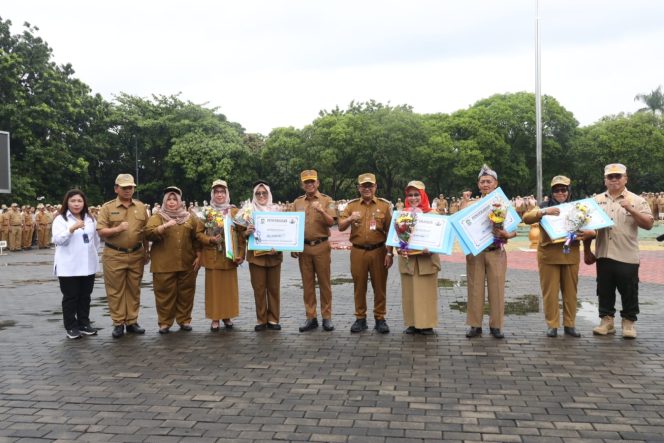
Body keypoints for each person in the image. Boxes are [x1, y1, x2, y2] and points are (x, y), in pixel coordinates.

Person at [584, 163, 654, 339]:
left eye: (618, 176)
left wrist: (630, 208)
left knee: (629, 291)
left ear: (625, 178)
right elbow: (587, 228)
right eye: (610, 177)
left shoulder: (637, 200)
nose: (614, 179)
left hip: (627, 255)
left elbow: (648, 224)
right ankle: (606, 321)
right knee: (604, 290)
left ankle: (628, 323)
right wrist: (587, 250)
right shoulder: (596, 201)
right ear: (605, 180)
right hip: (604, 254)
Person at [523, 176, 594, 338]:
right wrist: (543, 212)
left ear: (569, 191)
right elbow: (526, 218)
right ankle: (552, 325)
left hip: (570, 254)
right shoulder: (544, 206)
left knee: (570, 292)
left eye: (563, 189)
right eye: (556, 190)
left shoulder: (578, 207)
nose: (560, 193)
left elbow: (592, 227)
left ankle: (570, 324)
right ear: (552, 191)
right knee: (550, 292)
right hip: (548, 255)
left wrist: (590, 233)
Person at [462, 165, 516, 339]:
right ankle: (475, 325)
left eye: (488, 181)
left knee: (497, 288)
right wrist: (464, 201)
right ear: (478, 185)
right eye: (482, 181)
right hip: (476, 252)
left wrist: (507, 234)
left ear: (495, 184)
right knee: (475, 288)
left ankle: (496, 325)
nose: (485, 184)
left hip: (495, 250)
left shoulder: (504, 203)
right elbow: (460, 222)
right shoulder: (472, 204)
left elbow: (515, 228)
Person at [338, 173, 393, 333]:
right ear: (358, 188)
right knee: (359, 285)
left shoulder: (384, 206)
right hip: (358, 251)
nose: (367, 189)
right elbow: (340, 226)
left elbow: (391, 232)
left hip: (379, 250)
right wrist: (349, 219)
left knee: (380, 286)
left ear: (375, 187)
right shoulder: (351, 206)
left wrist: (389, 254)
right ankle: (360, 318)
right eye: (364, 186)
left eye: (370, 185)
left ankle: (380, 318)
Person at [97, 174, 150, 339]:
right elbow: (100, 231)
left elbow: (146, 233)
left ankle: (132, 321)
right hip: (114, 254)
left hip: (136, 253)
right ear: (116, 188)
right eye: (124, 187)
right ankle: (118, 323)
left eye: (131, 187)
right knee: (115, 291)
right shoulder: (107, 208)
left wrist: (147, 252)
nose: (128, 190)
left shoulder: (141, 207)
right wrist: (117, 229)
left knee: (134, 290)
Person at [145, 187, 204, 334]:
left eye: (174, 199)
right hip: (163, 264)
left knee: (186, 293)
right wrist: (163, 226)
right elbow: (147, 233)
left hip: (187, 263)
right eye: (169, 200)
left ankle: (184, 320)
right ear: (164, 201)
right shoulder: (157, 217)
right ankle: (165, 322)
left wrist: (199, 256)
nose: (172, 202)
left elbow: (196, 237)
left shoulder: (190, 217)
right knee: (164, 294)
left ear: (180, 202)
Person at [291, 170, 336, 332]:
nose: (309, 184)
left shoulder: (327, 200)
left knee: (324, 283)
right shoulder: (297, 203)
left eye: (312, 181)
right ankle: (311, 317)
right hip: (303, 248)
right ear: (302, 185)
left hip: (321, 246)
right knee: (307, 284)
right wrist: (292, 246)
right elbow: (291, 226)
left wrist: (321, 211)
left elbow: (331, 223)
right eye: (306, 182)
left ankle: (326, 317)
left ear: (317, 183)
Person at [52, 189, 101, 339]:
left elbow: (96, 241)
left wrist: (91, 254)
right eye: (73, 201)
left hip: (87, 265)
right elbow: (58, 240)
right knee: (71, 297)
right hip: (69, 266)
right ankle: (71, 326)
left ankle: (84, 324)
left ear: (84, 202)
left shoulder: (90, 218)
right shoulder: (61, 219)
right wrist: (71, 229)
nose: (76, 204)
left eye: (79, 201)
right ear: (67, 202)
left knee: (85, 296)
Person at [200, 179, 246, 332]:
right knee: (213, 288)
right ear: (212, 194)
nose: (219, 195)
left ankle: (227, 316)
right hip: (213, 255)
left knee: (228, 288)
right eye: (216, 192)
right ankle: (215, 318)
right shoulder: (206, 212)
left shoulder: (234, 211)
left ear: (227, 194)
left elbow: (241, 234)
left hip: (229, 256)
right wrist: (210, 239)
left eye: (222, 192)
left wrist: (241, 254)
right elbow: (198, 234)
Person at [396, 181, 441, 335]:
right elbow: (395, 237)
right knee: (409, 292)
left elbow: (439, 239)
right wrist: (398, 248)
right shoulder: (401, 214)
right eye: (410, 195)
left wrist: (432, 248)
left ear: (423, 195)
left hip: (426, 260)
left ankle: (427, 324)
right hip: (408, 259)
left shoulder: (433, 215)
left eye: (417, 194)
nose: (413, 198)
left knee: (426, 292)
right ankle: (412, 323)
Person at [244, 180, 284, 331]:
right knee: (259, 289)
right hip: (256, 257)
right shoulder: (247, 211)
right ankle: (261, 319)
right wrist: (245, 232)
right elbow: (238, 233)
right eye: (258, 193)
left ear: (269, 193)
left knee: (274, 288)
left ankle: (273, 319)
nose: (261, 196)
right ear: (254, 195)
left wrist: (279, 247)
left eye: (264, 193)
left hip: (274, 255)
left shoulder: (277, 210)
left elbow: (284, 234)